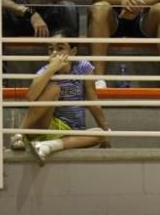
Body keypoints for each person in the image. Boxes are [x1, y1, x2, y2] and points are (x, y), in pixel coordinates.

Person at [19, 32, 109, 164]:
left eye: (60, 48)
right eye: (51, 49)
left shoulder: (83, 67)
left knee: (101, 133)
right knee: (53, 89)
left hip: (74, 133)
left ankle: (48, 146)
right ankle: (18, 135)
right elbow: (30, 98)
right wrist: (51, 70)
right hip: (48, 126)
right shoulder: (45, 71)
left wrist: (106, 136)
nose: (55, 53)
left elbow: (93, 103)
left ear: (73, 51)